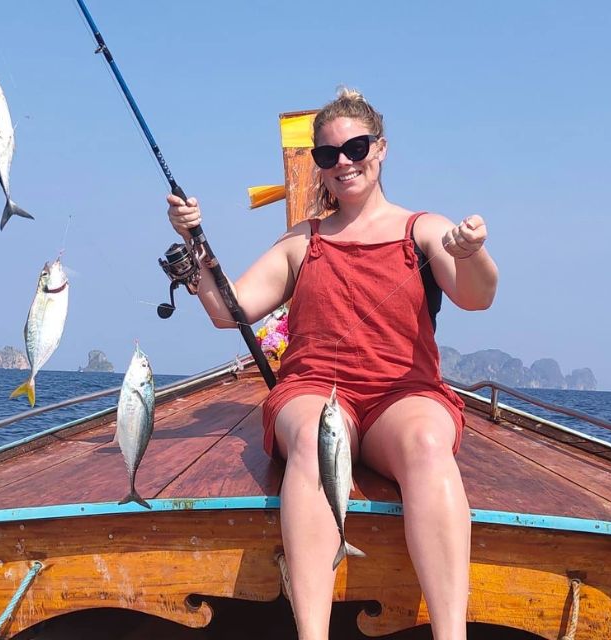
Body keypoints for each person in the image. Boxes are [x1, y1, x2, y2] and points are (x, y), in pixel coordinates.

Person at [165, 88, 497, 640]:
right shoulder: (303, 241)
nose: (343, 162)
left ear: (382, 148)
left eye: (356, 147)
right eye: (327, 155)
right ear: (317, 165)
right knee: (317, 437)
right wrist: (193, 243)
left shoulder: (425, 229)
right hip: (314, 388)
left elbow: (477, 296)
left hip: (403, 395)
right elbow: (233, 310)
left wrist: (472, 253)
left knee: (429, 446)